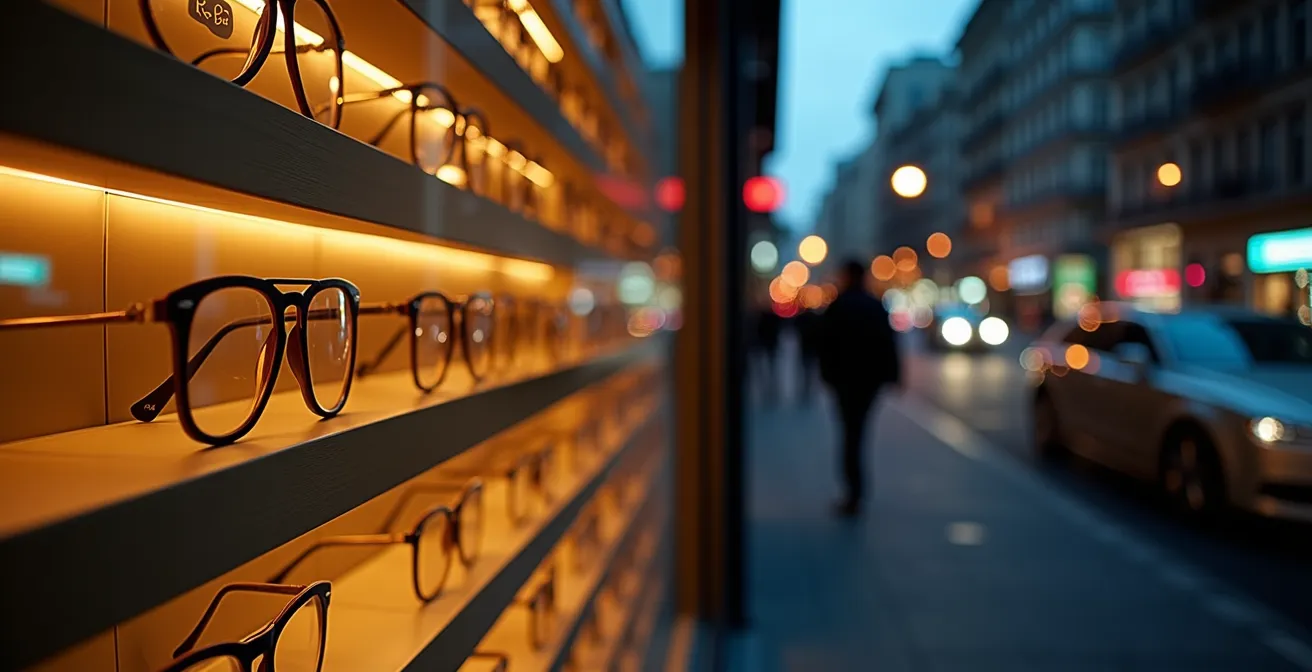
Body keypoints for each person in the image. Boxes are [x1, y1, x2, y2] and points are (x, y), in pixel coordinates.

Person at [817, 258, 902, 517]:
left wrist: (828, 376)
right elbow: (888, 343)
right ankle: (857, 490)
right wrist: (893, 376)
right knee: (859, 432)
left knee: (850, 434)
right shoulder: (875, 306)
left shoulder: (838, 306)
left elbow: (825, 345)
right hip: (869, 381)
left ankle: (853, 491)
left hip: (845, 381)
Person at [793, 306, 821, 402]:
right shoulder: (815, 318)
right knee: (811, 370)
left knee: (805, 369)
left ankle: (805, 389)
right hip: (812, 348)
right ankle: (810, 389)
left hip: (805, 347)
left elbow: (796, 328)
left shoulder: (802, 318)